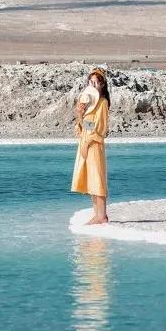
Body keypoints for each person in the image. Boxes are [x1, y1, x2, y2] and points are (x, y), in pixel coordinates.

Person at [70, 67, 111, 224]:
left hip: (94, 143)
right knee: (90, 179)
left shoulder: (102, 103)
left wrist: (88, 141)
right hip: (85, 141)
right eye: (91, 81)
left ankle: (102, 216)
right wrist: (80, 115)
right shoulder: (88, 103)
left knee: (97, 177)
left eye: (96, 82)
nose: (93, 84)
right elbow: (82, 127)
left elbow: (98, 128)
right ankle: (97, 214)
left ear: (102, 85)